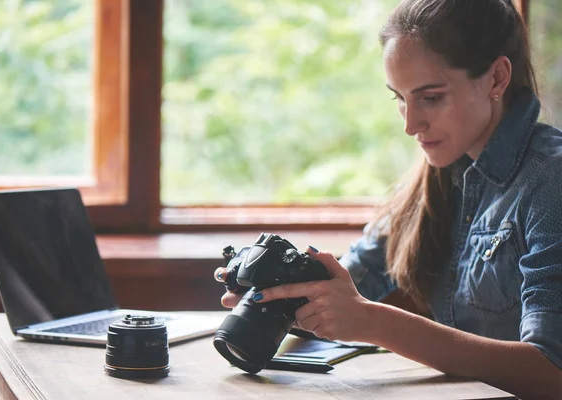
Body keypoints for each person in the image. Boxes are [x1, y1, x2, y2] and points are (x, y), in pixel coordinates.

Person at [214, 0, 562, 398]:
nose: (410, 124)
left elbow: (551, 371)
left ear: (497, 78)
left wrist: (371, 321)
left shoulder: (551, 181)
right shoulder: (439, 173)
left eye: (430, 97)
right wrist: (281, 295)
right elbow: (353, 276)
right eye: (399, 98)